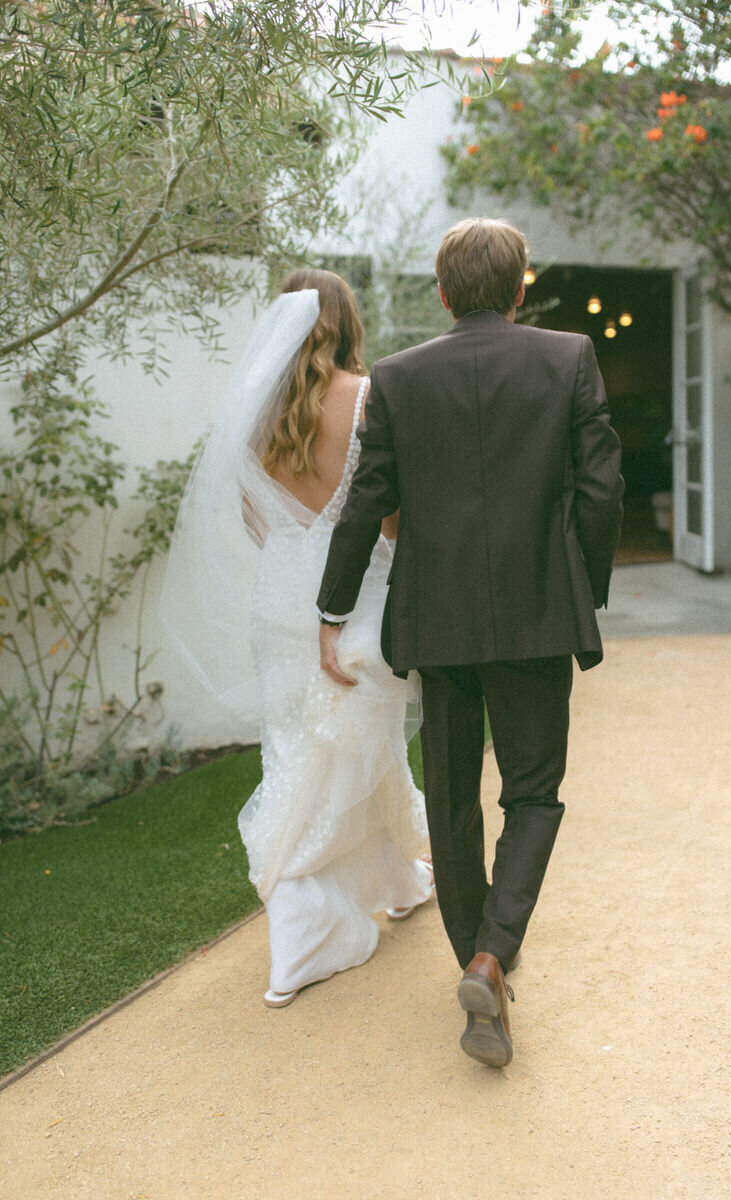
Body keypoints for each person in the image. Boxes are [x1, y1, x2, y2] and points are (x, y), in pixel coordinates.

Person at [317, 219, 624, 1066]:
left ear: (443, 294)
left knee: (451, 795)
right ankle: (493, 954)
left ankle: (478, 960)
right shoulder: (569, 360)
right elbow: (602, 490)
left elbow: (364, 498)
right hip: (535, 616)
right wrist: (580, 588)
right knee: (533, 791)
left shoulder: (399, 377)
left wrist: (332, 611)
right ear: (521, 288)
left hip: (438, 621)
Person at [161, 269, 433, 1009]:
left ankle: (400, 881)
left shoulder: (256, 411)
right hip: (350, 593)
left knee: (302, 745)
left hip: (279, 594)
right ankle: (306, 927)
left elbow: (255, 520)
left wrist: (294, 537)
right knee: (350, 746)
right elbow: (386, 511)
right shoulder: (369, 396)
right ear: (348, 323)